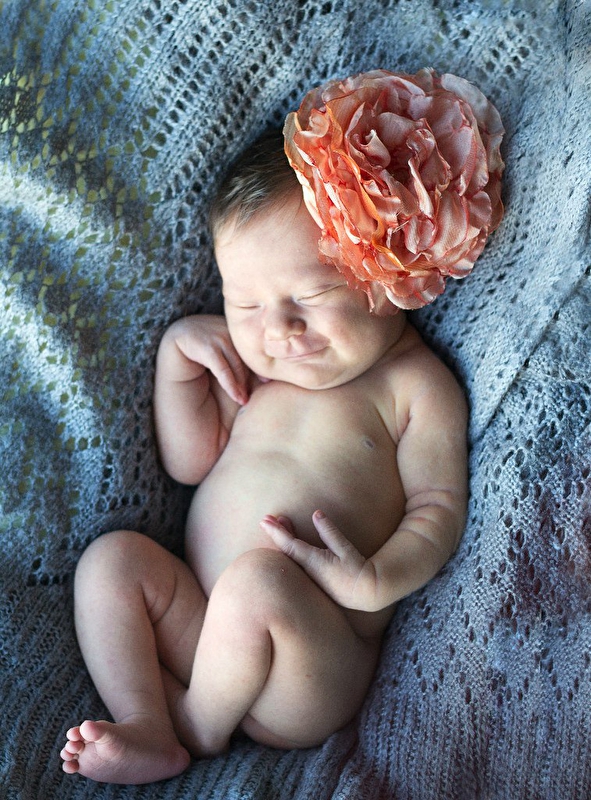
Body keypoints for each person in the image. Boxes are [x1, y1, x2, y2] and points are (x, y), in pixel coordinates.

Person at [59, 69, 503, 785]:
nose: (279, 329)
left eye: (311, 293)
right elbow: (189, 462)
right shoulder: (257, 370)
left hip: (305, 660)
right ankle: (146, 720)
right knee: (109, 563)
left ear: (385, 270)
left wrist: (374, 581)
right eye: (246, 305)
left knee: (259, 581)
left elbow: (438, 508)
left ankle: (197, 730)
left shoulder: (413, 386)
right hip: (202, 627)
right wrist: (179, 361)